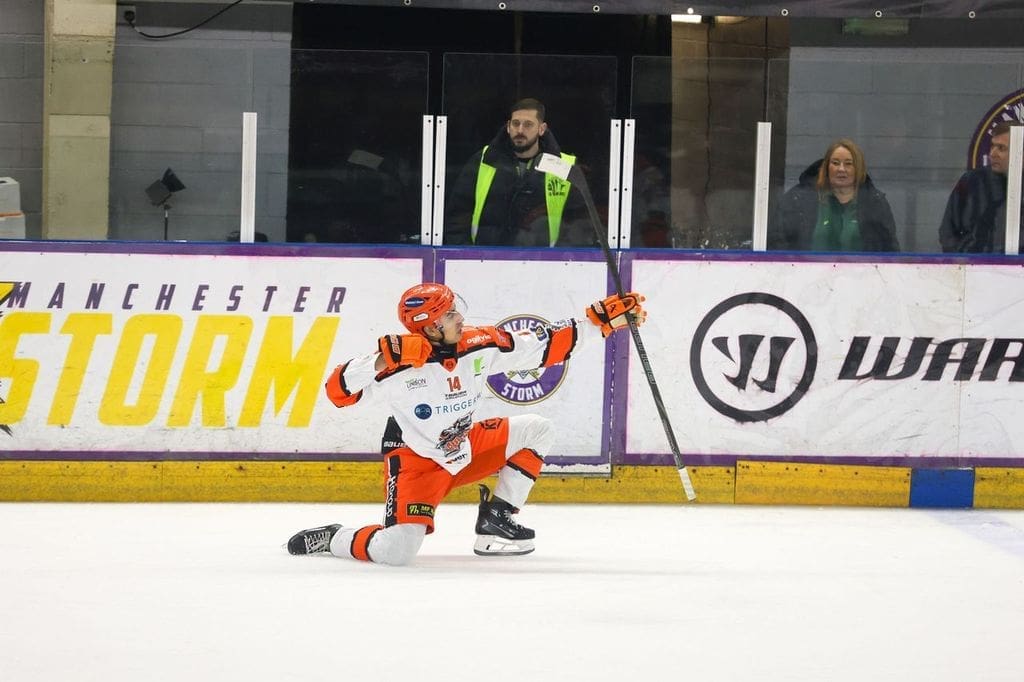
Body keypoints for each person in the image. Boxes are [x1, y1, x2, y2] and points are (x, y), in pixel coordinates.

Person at [286, 282, 646, 565]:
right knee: (395, 552)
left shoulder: (478, 342)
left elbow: (542, 346)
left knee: (538, 428)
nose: (460, 318)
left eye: (455, 310)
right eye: (449, 314)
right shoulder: (397, 363)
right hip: (416, 462)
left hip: (465, 445)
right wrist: (380, 361)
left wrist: (600, 321)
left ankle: (496, 521)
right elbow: (337, 392)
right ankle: (334, 537)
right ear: (429, 326)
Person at [445, 98, 589, 247]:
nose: (520, 130)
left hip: (544, 265)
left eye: (528, 125)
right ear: (508, 126)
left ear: (542, 129)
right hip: (485, 263)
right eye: (515, 123)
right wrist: (465, 255)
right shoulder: (483, 160)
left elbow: (578, 224)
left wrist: (562, 262)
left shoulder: (565, 167)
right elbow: (457, 216)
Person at [771, 138, 899, 252]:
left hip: (862, 277)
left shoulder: (875, 203)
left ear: (859, 168)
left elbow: (890, 250)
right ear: (826, 167)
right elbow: (778, 243)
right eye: (835, 163)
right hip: (809, 277)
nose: (841, 169)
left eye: (848, 163)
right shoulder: (798, 199)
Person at [940, 122, 1022, 253]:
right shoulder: (971, 181)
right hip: (973, 269)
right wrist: (959, 262)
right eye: (992, 146)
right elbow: (948, 231)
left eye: (1001, 148)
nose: (992, 153)